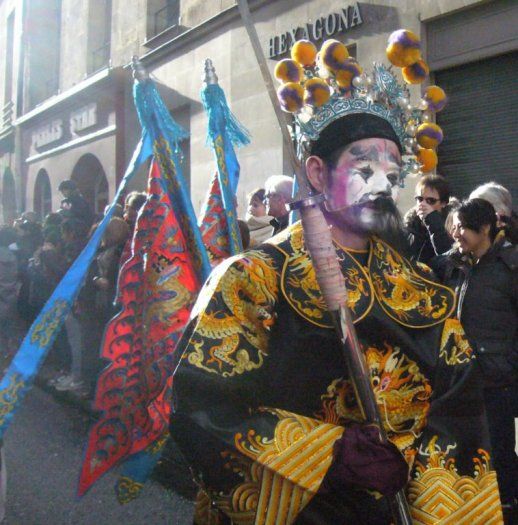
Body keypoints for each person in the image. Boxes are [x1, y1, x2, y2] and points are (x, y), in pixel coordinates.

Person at [169, 37, 501, 524]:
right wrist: (325, 452)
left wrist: (409, 459)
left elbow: (460, 408)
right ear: (318, 173)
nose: (383, 184)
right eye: (364, 168)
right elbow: (200, 405)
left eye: (392, 171)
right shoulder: (252, 281)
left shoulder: (425, 292)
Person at [431, 198, 517, 521]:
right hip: (458, 378)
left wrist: (509, 363)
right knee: (466, 449)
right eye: (455, 227)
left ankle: (506, 505)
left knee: (500, 449)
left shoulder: (510, 267)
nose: (457, 234)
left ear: (484, 229)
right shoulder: (450, 266)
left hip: (498, 380)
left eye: (464, 228)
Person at [404, 174, 453, 263]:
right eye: (419, 199)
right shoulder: (409, 226)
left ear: (443, 203)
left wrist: (432, 220)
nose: (423, 204)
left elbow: (447, 259)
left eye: (430, 201)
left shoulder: (452, 227)